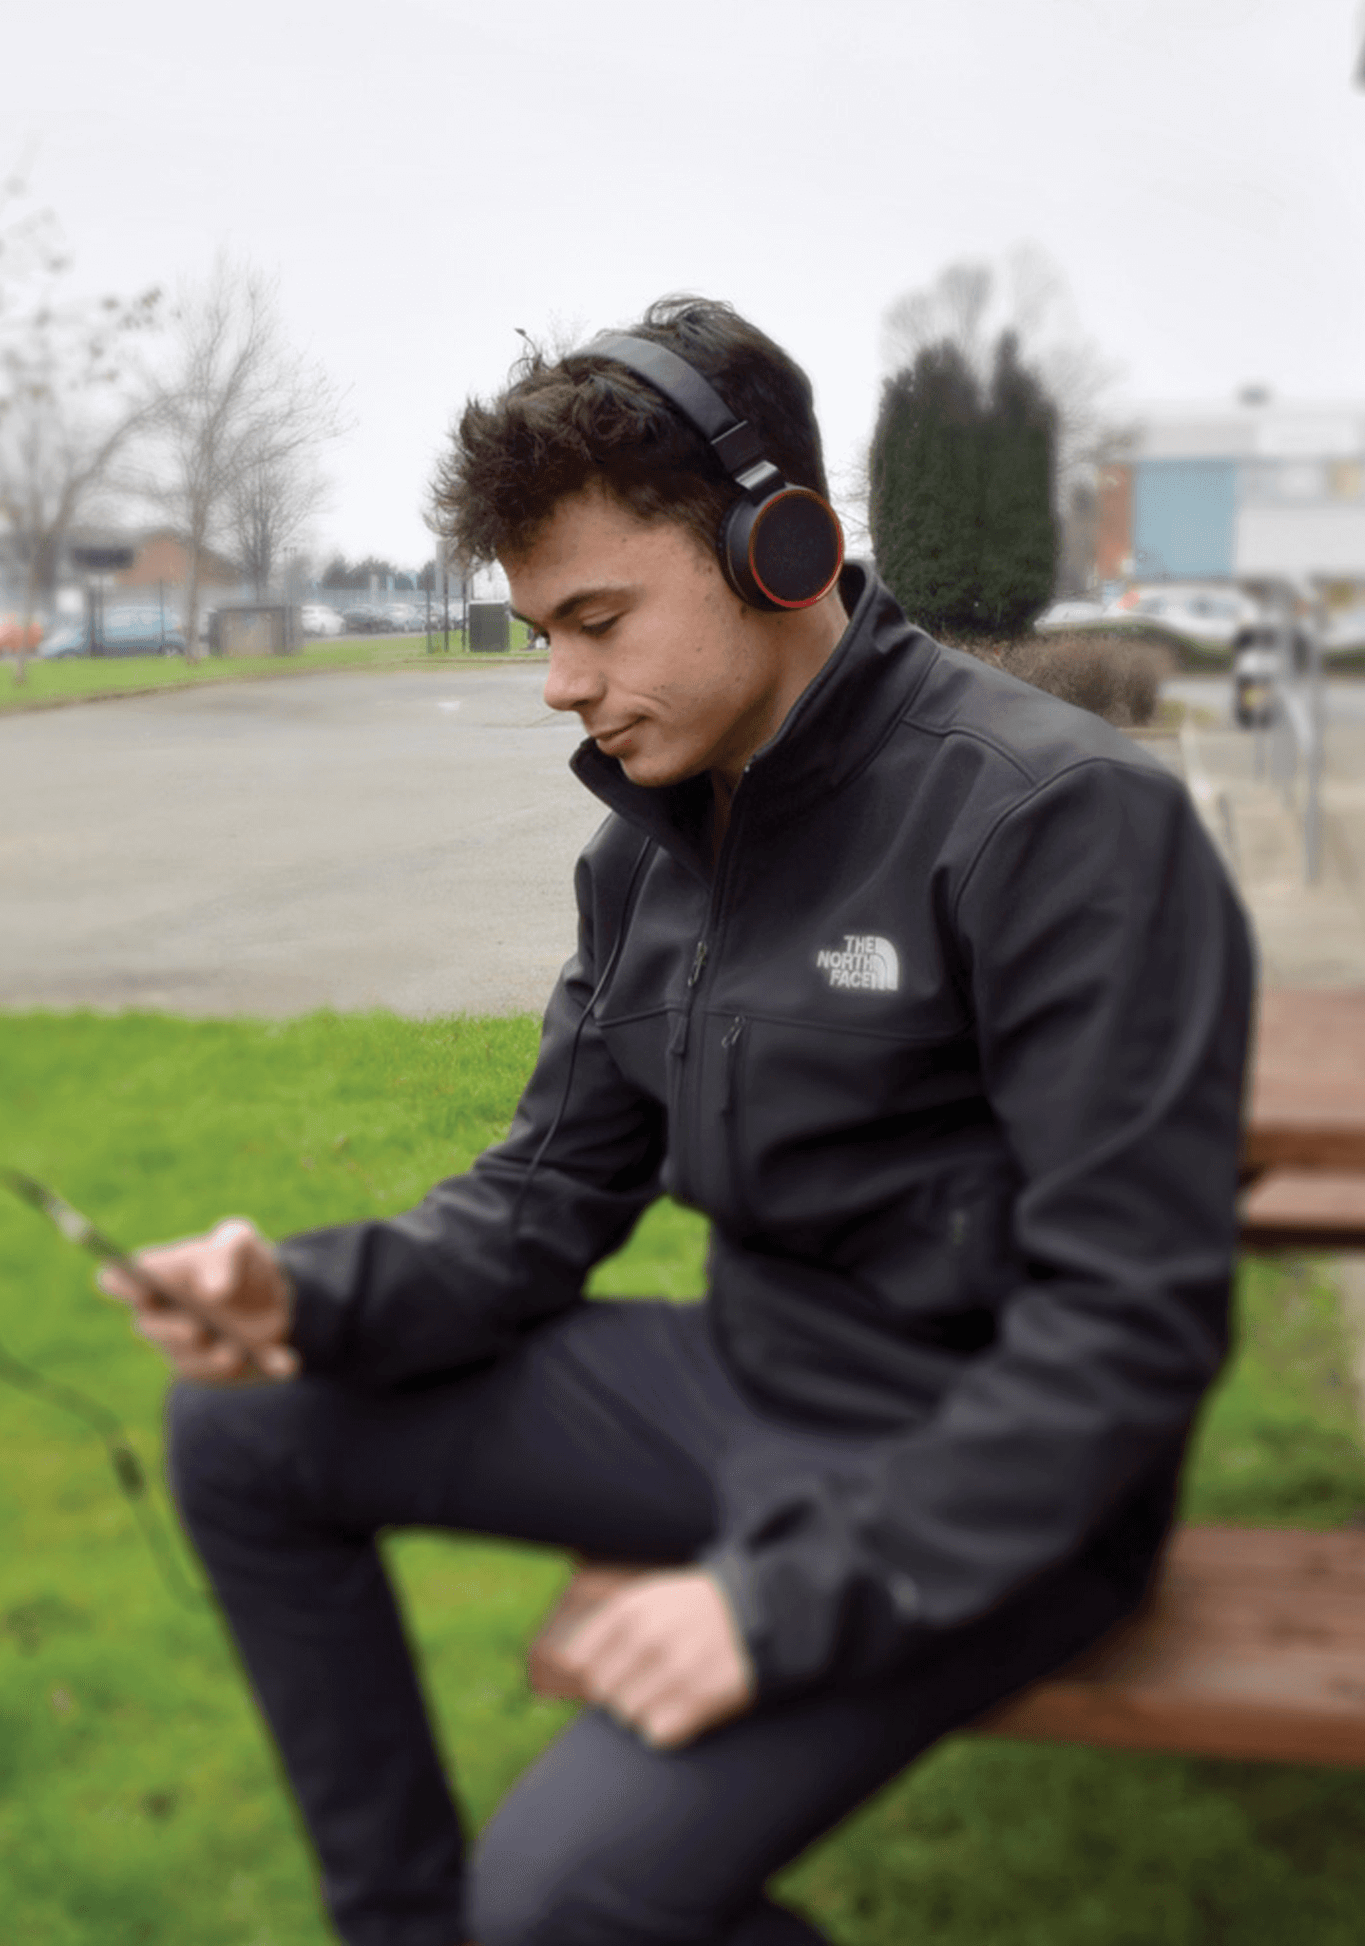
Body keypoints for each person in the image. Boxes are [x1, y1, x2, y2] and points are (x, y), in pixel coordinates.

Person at [101, 296, 1255, 1946]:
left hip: (989, 1472)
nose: (560, 684)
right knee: (245, 1425)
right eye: (536, 632)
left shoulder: (1056, 822)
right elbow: (540, 1198)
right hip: (741, 1387)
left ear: (781, 545)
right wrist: (303, 1294)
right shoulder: (647, 849)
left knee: (565, 1910)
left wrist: (772, 1610)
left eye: (597, 619)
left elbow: (1125, 1331)